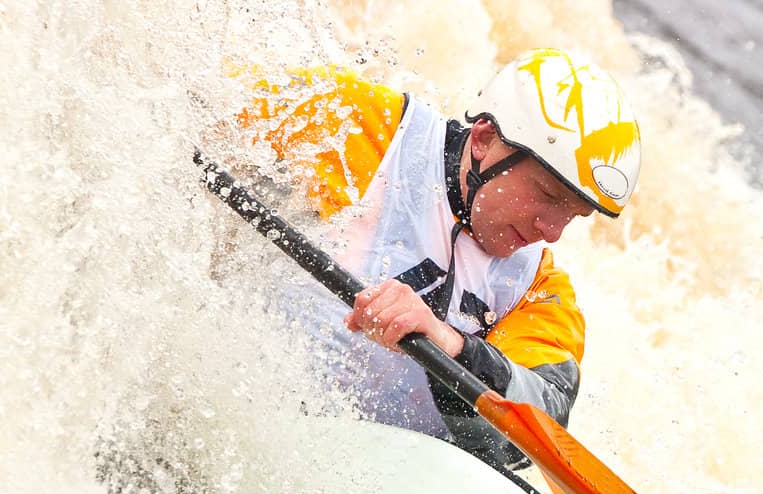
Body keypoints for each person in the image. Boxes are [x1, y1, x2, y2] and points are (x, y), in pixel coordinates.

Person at [233, 48, 642, 468]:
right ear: (484, 140)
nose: (552, 231)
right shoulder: (358, 125)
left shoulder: (538, 288)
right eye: (547, 196)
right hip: (247, 414)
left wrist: (450, 345)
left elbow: (541, 425)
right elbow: (197, 107)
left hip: (381, 477)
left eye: (573, 215)